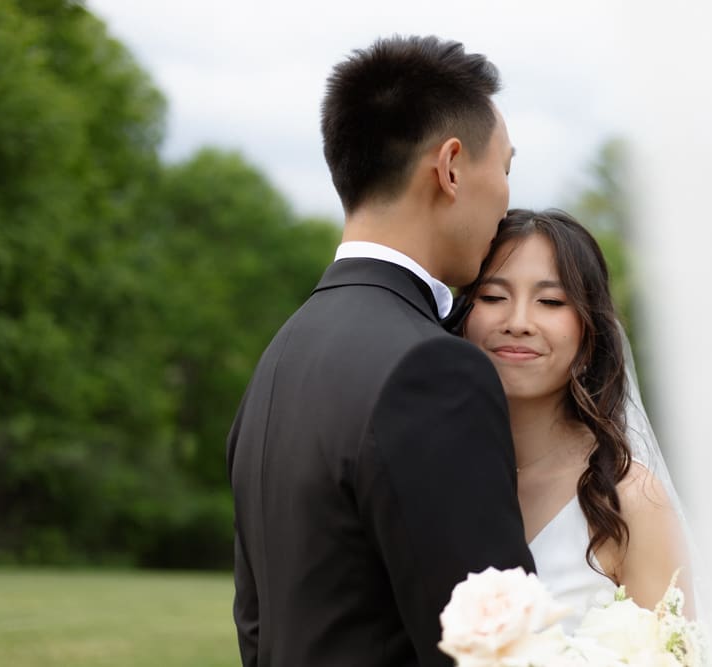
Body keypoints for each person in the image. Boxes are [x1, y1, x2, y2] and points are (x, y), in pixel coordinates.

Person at [226, 36, 534, 667]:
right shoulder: (432, 369)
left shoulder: (280, 357)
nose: (506, 199)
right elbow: (493, 653)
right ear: (450, 167)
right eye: (505, 167)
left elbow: (257, 626)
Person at [460, 208, 695, 627]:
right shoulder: (436, 478)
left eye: (550, 301)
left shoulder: (628, 500)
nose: (517, 323)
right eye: (493, 297)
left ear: (589, 337)